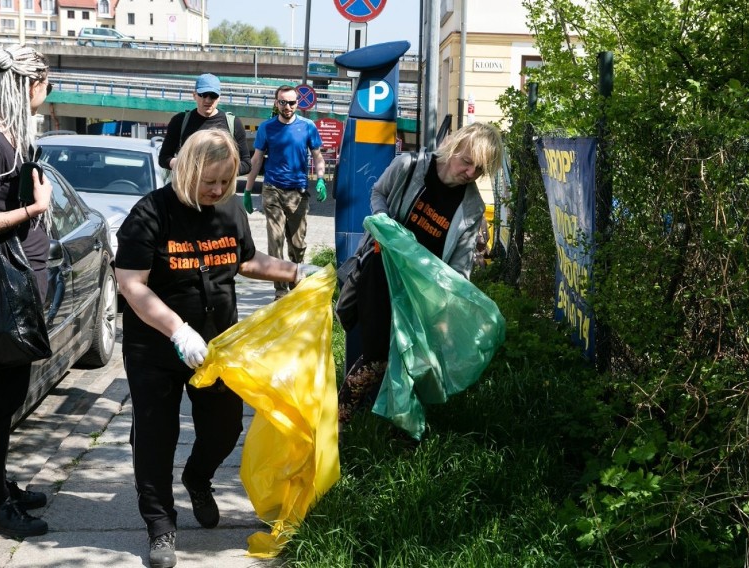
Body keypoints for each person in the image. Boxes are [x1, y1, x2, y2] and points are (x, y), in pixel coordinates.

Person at [115, 129, 317, 568]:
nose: (219, 190)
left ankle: (198, 477)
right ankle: (160, 527)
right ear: (187, 170)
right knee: (155, 437)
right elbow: (130, 284)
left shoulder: (228, 209)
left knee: (225, 428)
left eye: (227, 181)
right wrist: (178, 330)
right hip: (156, 347)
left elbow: (246, 260)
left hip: (218, 347)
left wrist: (297, 271)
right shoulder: (150, 214)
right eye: (211, 181)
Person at [337, 122, 504, 430]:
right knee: (376, 355)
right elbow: (379, 192)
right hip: (381, 271)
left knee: (414, 360)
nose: (470, 173)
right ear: (453, 148)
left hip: (423, 292)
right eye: (466, 162)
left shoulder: (471, 208)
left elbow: (458, 267)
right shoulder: (410, 167)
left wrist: (447, 309)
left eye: (479, 170)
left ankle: (400, 436)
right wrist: (384, 221)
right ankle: (339, 424)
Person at [0, 44, 53, 539]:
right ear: (27, 84)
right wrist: (35, 210)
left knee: (8, 398)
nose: (47, 91)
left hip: (18, 288)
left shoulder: (14, 136)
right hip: (1, 295)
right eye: (44, 81)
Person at [243, 85, 326, 299]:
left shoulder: (308, 127)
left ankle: (295, 282)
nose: (287, 106)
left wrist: (320, 179)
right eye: (283, 102)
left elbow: (317, 156)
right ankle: (280, 291)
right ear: (276, 103)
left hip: (298, 192)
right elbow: (257, 159)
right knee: (276, 240)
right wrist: (248, 190)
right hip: (272, 190)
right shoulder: (267, 128)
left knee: (298, 245)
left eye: (291, 102)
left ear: (297, 103)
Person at [158, 73, 251, 176]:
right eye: (203, 95)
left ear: (219, 97)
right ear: (194, 95)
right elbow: (164, 158)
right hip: (188, 189)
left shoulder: (233, 123)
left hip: (220, 190)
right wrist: (181, 164)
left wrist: (222, 171)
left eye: (213, 96)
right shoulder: (180, 121)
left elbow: (246, 164)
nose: (208, 100)